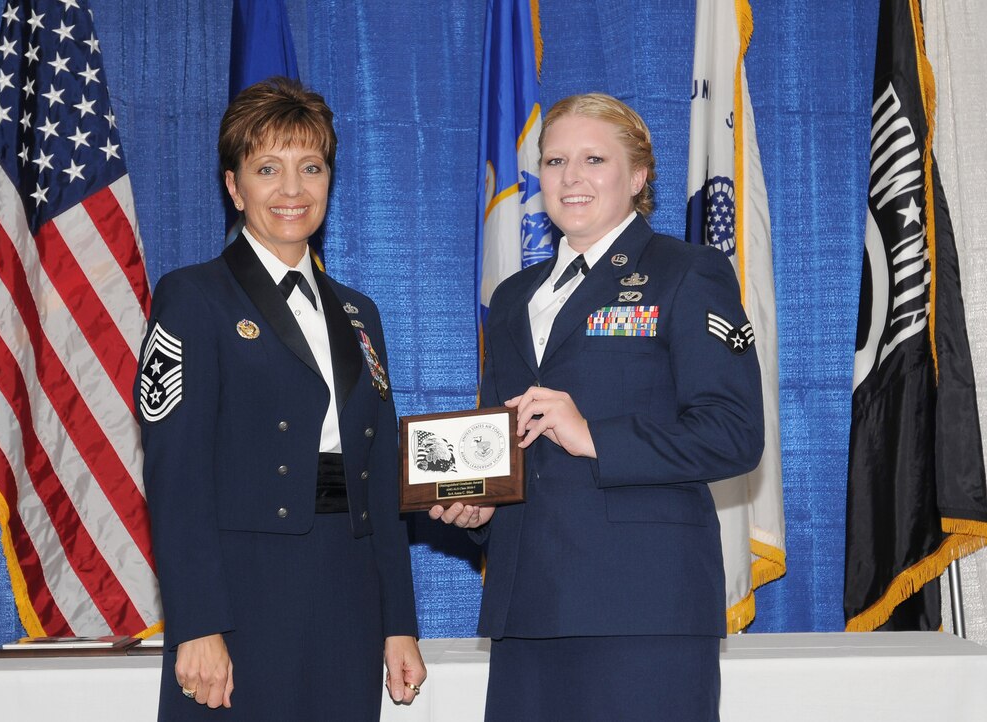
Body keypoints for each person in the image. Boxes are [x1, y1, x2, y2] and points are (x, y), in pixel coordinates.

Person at [431, 93, 763, 720]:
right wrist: (479, 504)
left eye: (593, 159)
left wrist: (595, 436)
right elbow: (501, 438)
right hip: (526, 604)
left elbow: (735, 434)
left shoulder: (686, 273)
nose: (570, 178)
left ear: (638, 176)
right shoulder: (511, 298)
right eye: (554, 161)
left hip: (641, 606)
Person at [136, 77, 425, 720]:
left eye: (311, 168)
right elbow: (176, 474)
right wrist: (197, 623)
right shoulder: (194, 298)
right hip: (242, 596)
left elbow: (377, 479)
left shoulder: (360, 313)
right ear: (235, 188)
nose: (292, 190)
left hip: (347, 593)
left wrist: (397, 621)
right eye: (268, 169)